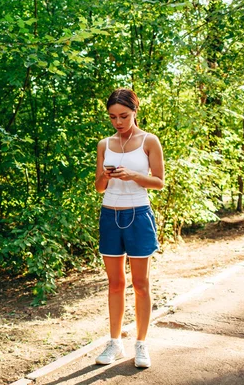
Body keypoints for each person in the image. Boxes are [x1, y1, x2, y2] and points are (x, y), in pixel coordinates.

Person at [94, 88, 165, 368]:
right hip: (110, 214)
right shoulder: (104, 144)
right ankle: (115, 343)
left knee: (141, 284)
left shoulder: (149, 141)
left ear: (135, 111)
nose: (118, 122)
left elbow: (159, 181)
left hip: (139, 214)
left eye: (123, 116)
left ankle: (141, 344)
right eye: (113, 117)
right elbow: (99, 187)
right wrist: (106, 175)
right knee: (115, 284)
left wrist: (135, 175)